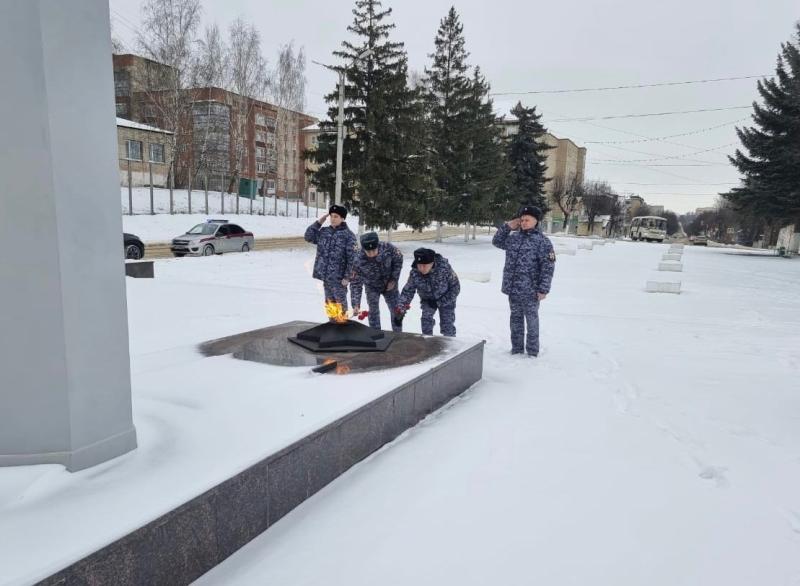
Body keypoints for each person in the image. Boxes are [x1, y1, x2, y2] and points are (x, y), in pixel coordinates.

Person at [492, 205, 556, 356]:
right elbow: (497, 241)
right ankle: (517, 349)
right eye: (522, 220)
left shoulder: (542, 242)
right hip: (513, 289)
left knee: (532, 322)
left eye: (527, 220)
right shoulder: (514, 238)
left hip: (531, 290)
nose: (523, 222)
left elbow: (548, 267)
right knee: (515, 320)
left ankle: (532, 352)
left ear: (536, 221)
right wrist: (508, 226)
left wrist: (543, 289)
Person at [394, 248, 460, 337]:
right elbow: (408, 291)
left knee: (447, 325)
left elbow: (455, 288)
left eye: (425, 266)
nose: (421, 268)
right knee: (426, 321)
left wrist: (439, 302)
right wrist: (400, 311)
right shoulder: (415, 273)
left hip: (446, 299)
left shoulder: (444, 268)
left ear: (432, 263)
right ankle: (427, 343)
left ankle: (450, 346)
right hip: (427, 300)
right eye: (419, 265)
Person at [304, 205, 357, 310]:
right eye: (331, 216)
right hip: (326, 278)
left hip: (339, 280)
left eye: (336, 216)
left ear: (342, 218)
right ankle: (332, 325)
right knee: (330, 308)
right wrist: (319, 222)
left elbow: (353, 259)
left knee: (341, 309)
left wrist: (347, 277)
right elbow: (308, 236)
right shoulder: (324, 232)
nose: (332, 219)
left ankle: (342, 326)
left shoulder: (349, 236)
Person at [350, 232, 404, 331]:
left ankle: (398, 335)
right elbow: (355, 283)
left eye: (374, 250)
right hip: (372, 287)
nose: (371, 254)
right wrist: (356, 304)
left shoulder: (388, 248)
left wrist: (393, 279)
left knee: (397, 311)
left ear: (378, 245)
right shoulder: (357, 259)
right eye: (368, 251)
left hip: (390, 285)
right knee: (373, 312)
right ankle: (375, 334)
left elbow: (399, 260)